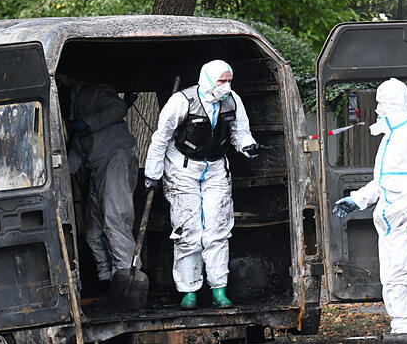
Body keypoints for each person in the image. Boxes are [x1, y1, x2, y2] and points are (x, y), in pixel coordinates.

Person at [143, 59, 261, 309]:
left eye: (229, 80)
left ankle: (219, 289)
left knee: (218, 229)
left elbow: (240, 131)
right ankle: (189, 291)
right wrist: (152, 174)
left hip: (216, 168)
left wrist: (247, 146)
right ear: (207, 79)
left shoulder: (232, 100)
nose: (226, 86)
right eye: (221, 81)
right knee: (188, 231)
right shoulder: (181, 101)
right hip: (182, 169)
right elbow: (161, 138)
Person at [332, 78, 407, 334]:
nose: (378, 109)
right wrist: (357, 200)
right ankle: (402, 333)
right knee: (393, 280)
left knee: (404, 278)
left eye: (381, 103)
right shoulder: (390, 137)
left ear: (391, 103)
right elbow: (383, 182)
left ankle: (406, 335)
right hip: (391, 224)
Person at [63, 78, 138, 294]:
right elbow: (76, 155)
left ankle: (128, 278)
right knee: (93, 231)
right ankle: (107, 278)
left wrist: (88, 122)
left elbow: (118, 108)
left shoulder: (91, 92)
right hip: (98, 168)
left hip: (116, 159)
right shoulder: (76, 117)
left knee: (115, 220)